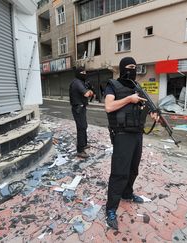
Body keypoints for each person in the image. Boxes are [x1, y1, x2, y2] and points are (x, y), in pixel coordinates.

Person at [103, 57, 159, 230]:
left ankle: (127, 193)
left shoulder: (137, 86)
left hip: (136, 134)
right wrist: (129, 99)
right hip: (121, 134)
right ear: (121, 68)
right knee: (119, 172)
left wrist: (153, 113)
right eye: (129, 67)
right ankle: (111, 209)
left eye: (135, 67)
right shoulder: (112, 85)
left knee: (133, 168)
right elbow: (109, 107)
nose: (132, 69)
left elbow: (146, 105)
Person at [69, 67, 94, 158]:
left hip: (81, 108)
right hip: (78, 108)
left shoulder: (80, 82)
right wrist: (90, 91)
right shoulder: (77, 82)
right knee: (81, 128)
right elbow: (86, 94)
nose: (84, 74)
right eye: (82, 72)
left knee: (84, 126)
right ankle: (80, 150)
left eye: (85, 72)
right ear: (78, 73)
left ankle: (84, 144)